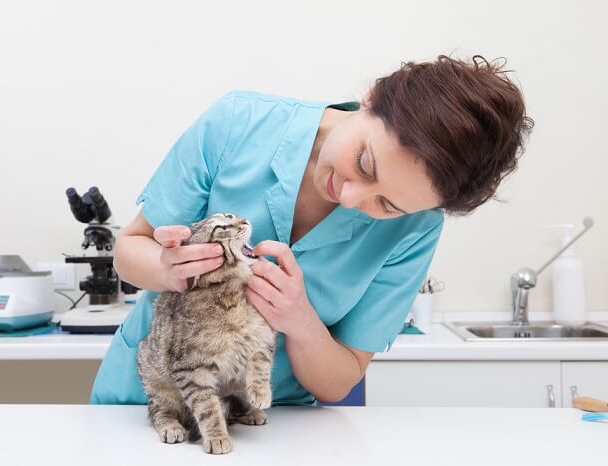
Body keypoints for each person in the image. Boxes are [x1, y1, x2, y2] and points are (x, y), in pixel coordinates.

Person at [90, 54, 534, 405]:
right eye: (364, 163)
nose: (350, 198)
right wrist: (169, 268)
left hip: (274, 427)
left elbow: (338, 383)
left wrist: (300, 321)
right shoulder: (237, 124)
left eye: (387, 204)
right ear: (372, 97)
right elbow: (129, 250)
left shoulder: (416, 227)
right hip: (148, 400)